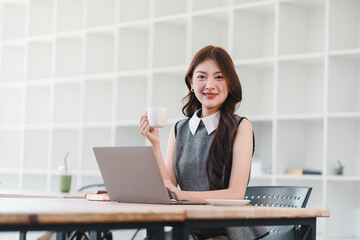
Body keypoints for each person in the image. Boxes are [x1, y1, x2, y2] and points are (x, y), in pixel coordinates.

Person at [139, 45, 268, 240]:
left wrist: (183, 195)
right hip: (190, 229)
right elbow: (169, 186)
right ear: (191, 82)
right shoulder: (179, 129)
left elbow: (236, 193)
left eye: (219, 77)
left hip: (226, 233)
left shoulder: (241, 126)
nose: (210, 85)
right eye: (201, 77)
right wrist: (155, 145)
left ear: (230, 83)